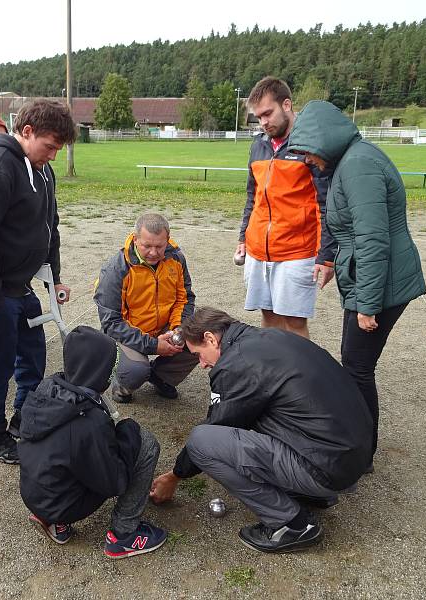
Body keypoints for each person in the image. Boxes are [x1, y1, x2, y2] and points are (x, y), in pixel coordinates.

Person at [150, 307, 372, 554]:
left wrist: (174, 476)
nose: (202, 364)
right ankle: (311, 493)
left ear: (211, 338)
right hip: (352, 457)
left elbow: (217, 425)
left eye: (198, 354)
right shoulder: (272, 337)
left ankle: (292, 524)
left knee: (202, 441)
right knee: (258, 414)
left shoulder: (235, 364)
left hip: (325, 469)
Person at [287, 100, 426, 467]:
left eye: (307, 152)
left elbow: (373, 239)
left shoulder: (359, 165)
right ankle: (357, 443)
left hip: (381, 286)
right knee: (356, 366)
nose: (306, 161)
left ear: (323, 140)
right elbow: (347, 227)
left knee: (357, 368)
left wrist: (367, 303)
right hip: (373, 281)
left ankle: (361, 452)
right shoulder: (349, 162)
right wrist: (332, 259)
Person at [0, 100, 76, 465]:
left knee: (33, 353)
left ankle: (24, 418)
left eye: (58, 149)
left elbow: (49, 227)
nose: (53, 156)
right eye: (50, 146)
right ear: (26, 132)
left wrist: (52, 277)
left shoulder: (42, 170)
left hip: (20, 286)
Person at [19, 326, 167, 559]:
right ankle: (124, 535)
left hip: (36, 496)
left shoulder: (49, 387)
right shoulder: (89, 422)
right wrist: (128, 432)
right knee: (146, 443)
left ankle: (51, 520)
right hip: (62, 503)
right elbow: (113, 483)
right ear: (101, 372)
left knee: (63, 458)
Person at [235, 77, 337, 339]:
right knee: (268, 315)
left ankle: (298, 378)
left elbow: (325, 204)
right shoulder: (258, 144)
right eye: (259, 117)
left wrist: (326, 256)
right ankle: (274, 372)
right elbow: (252, 196)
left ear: (287, 105)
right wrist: (243, 237)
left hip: (296, 251)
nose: (264, 122)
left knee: (293, 322)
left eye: (268, 113)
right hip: (259, 250)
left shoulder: (311, 145)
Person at [94, 213, 198, 404]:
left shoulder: (176, 258)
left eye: (159, 246)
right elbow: (111, 323)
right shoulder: (116, 269)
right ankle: (123, 385)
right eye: (147, 246)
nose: (153, 252)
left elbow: (185, 298)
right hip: (129, 333)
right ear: (135, 239)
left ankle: (161, 376)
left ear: (168, 239)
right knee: (135, 371)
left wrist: (178, 329)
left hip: (165, 327)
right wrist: (153, 345)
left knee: (200, 337)